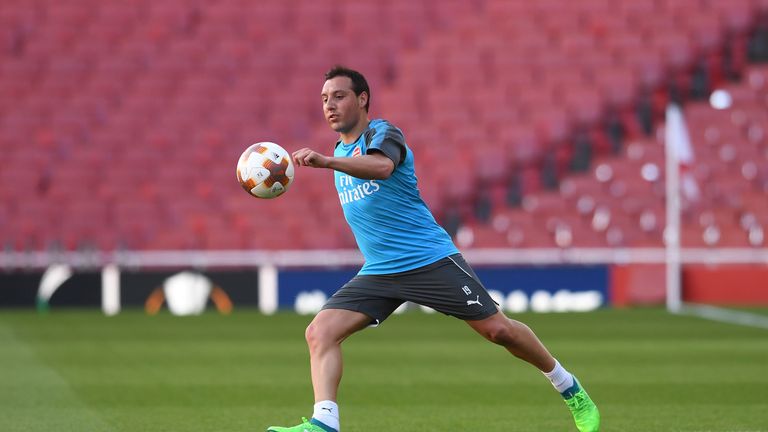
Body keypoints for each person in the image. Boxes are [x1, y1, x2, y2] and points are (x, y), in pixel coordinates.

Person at [267, 66, 600, 432]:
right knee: (319, 332)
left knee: (498, 331)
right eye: (325, 99)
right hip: (379, 270)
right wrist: (331, 158)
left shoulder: (382, 133)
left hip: (428, 260)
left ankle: (569, 387)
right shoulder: (339, 150)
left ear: (362, 99)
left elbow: (381, 167)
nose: (330, 105)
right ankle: (324, 423)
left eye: (339, 96)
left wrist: (327, 162)